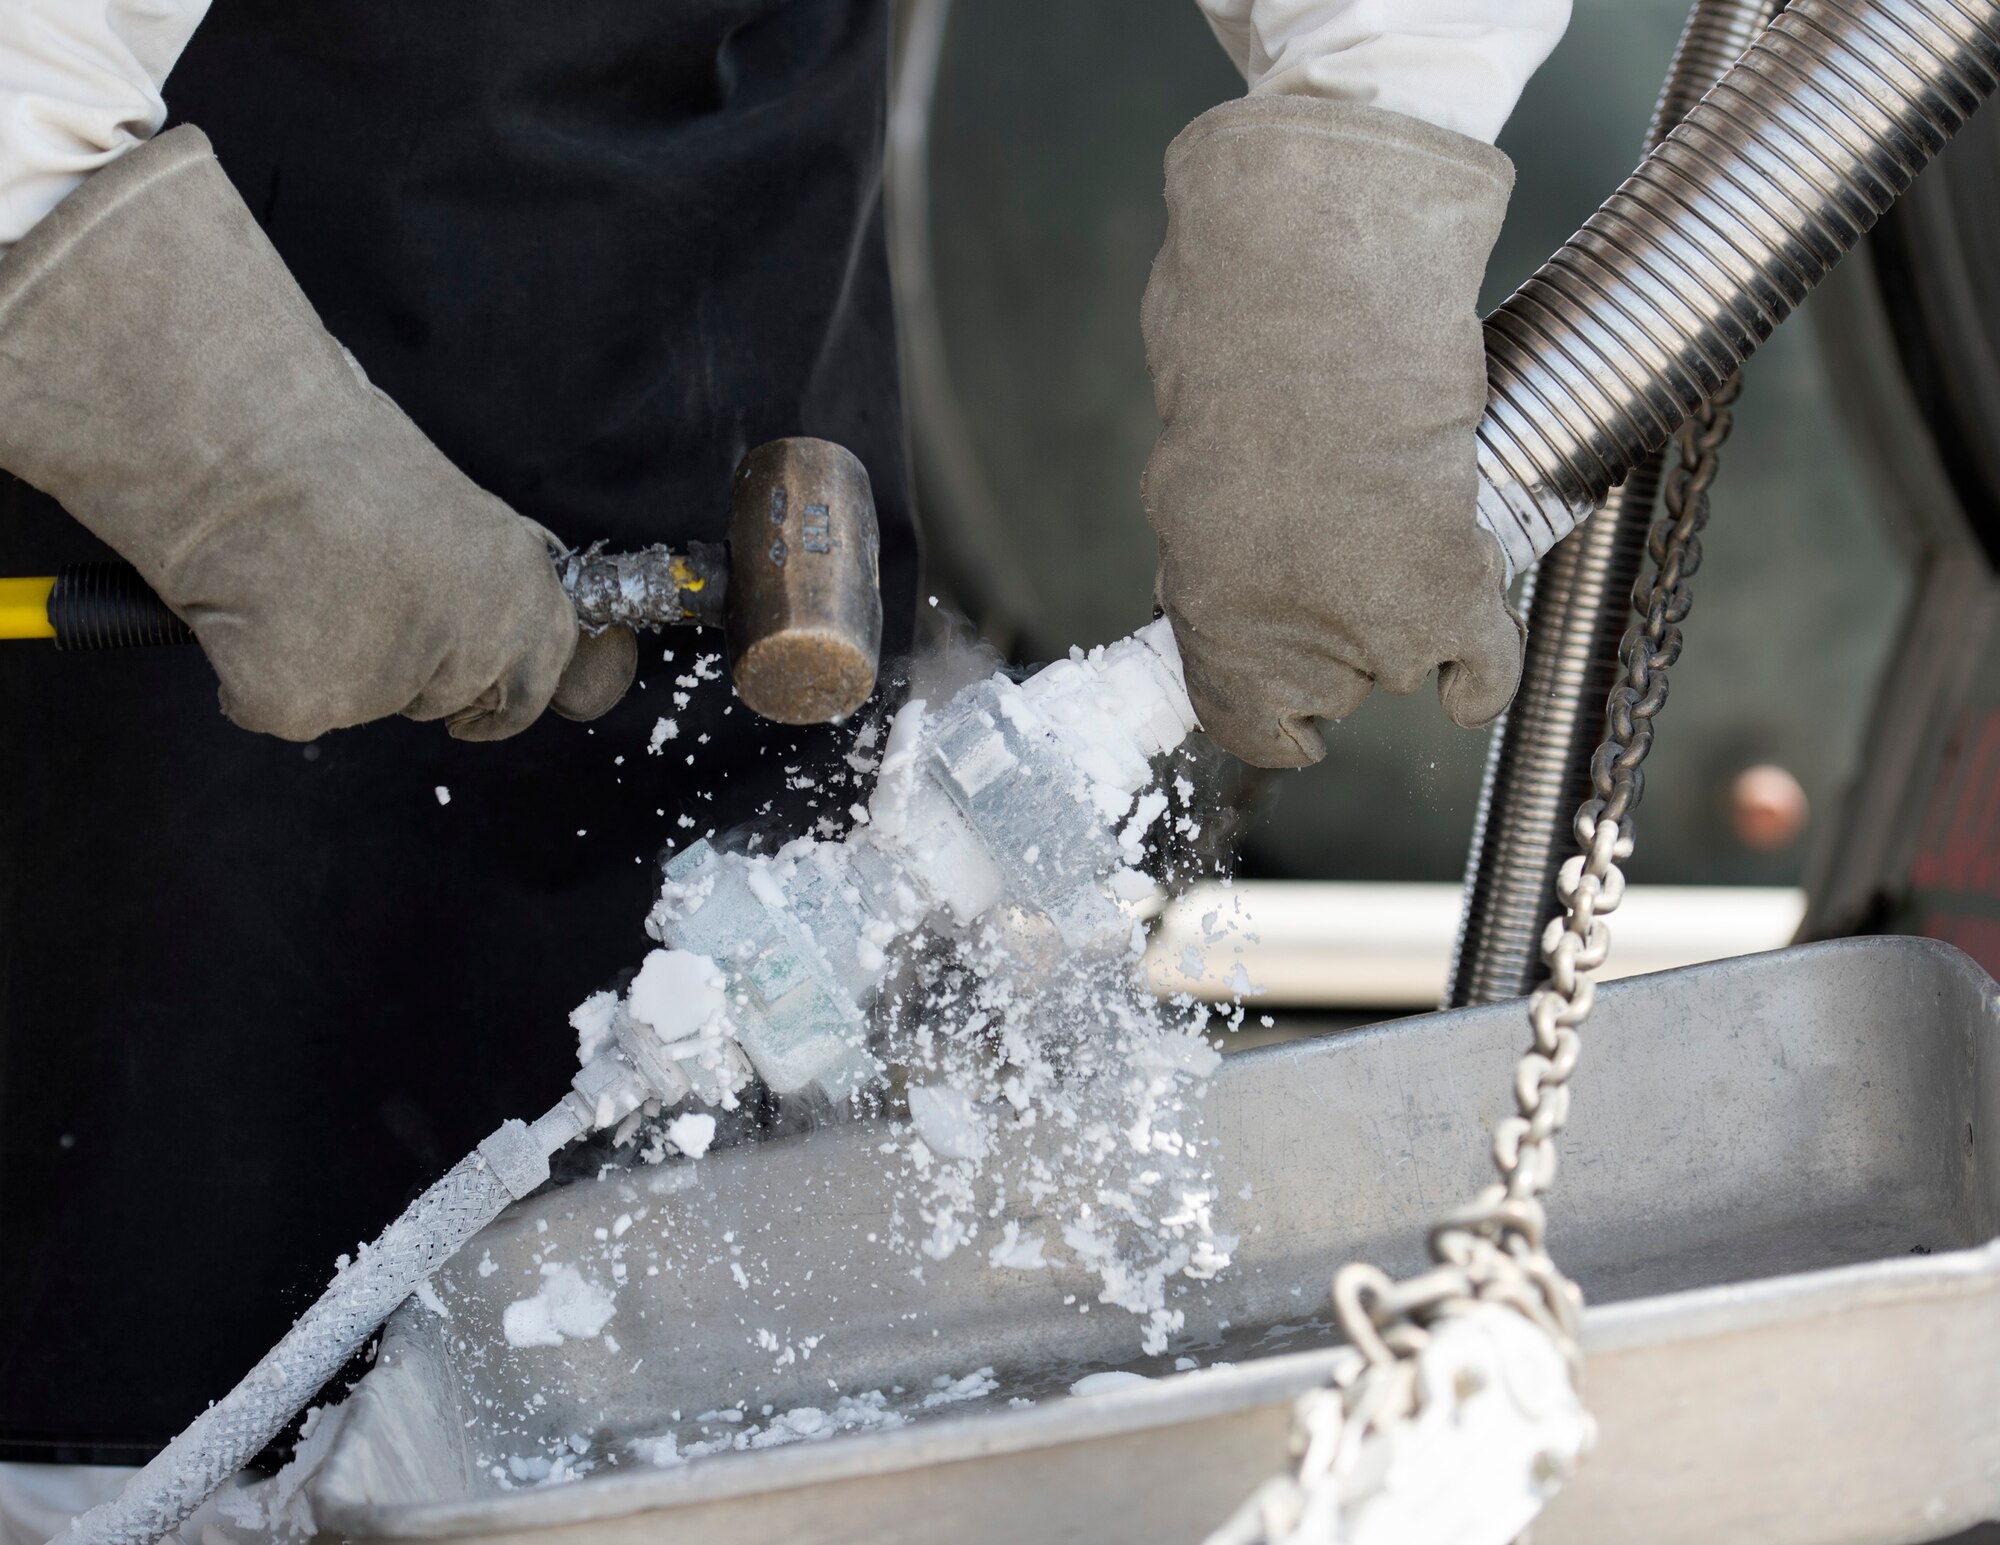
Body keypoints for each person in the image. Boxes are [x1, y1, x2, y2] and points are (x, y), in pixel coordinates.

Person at [0, 0, 1565, 1526]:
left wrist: (1364, 187)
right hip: (180, 601)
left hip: (731, 389)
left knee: (715, 1379)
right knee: (163, 1397)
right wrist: (235, 464)